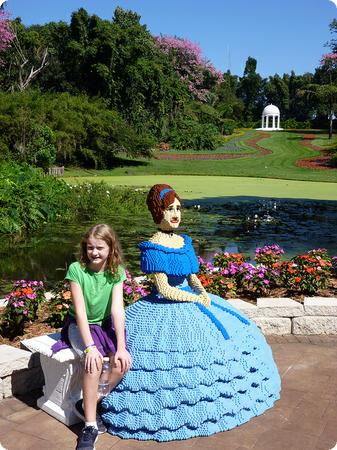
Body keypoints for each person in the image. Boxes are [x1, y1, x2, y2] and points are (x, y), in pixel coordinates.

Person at [101, 184, 281, 442]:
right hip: (164, 307)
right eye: (169, 209)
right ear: (157, 211)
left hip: (192, 297)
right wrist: (192, 297)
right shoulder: (153, 247)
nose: (175, 214)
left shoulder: (184, 242)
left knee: (226, 338)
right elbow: (164, 289)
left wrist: (203, 293)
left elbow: (192, 275)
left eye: (178, 209)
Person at [52, 223, 132, 450]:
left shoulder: (117, 272)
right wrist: (89, 347)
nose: (94, 253)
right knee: (94, 363)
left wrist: (121, 345)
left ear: (111, 248)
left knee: (121, 362)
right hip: (80, 326)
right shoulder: (77, 270)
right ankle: (89, 426)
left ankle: (87, 402)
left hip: (105, 326)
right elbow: (81, 312)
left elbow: (117, 310)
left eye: (100, 247)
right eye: (90, 248)